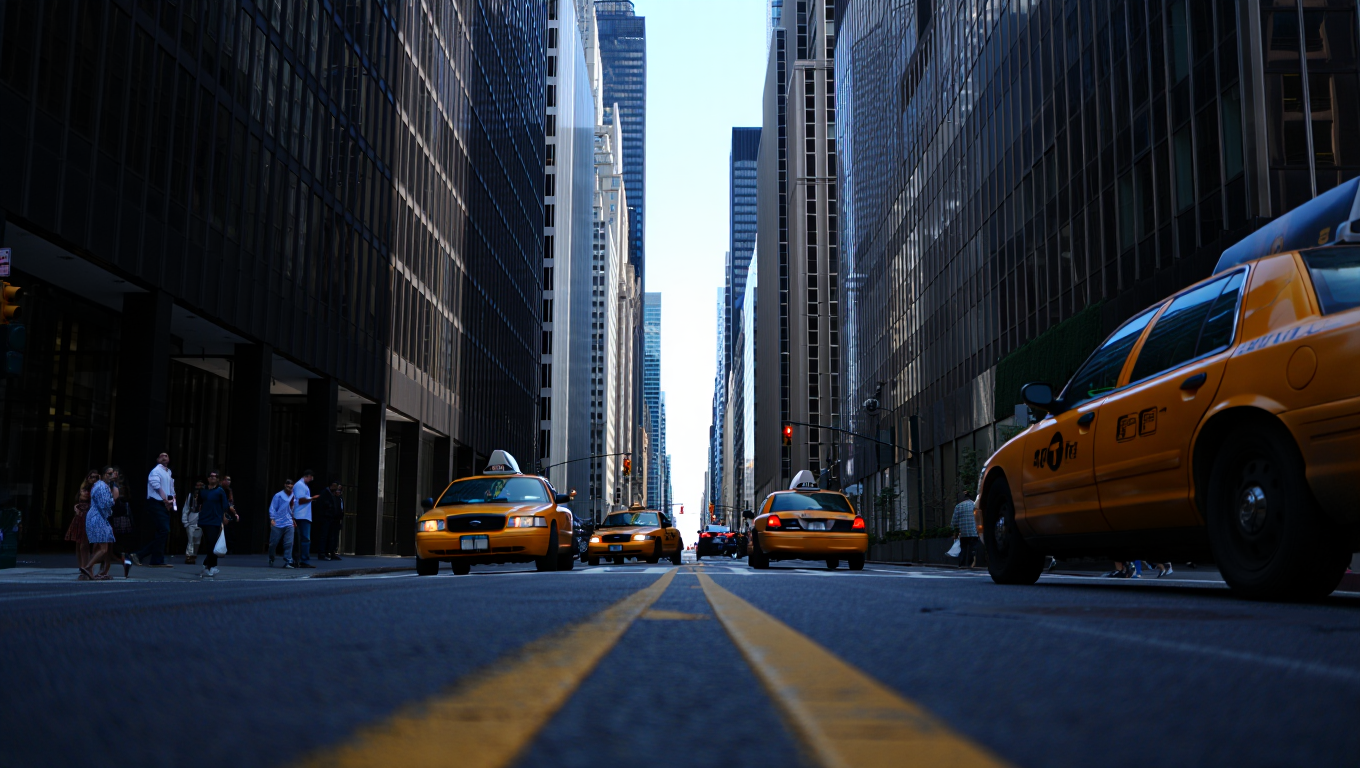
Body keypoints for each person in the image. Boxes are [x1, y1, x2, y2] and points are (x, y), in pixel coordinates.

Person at [132, 452, 175, 568]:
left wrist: (172, 502)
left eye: (166, 455)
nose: (164, 457)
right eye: (161, 456)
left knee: (162, 532)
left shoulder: (168, 472)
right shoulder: (155, 471)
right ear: (157, 459)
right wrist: (165, 500)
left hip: (163, 504)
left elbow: (171, 488)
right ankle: (140, 555)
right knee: (164, 530)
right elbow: (157, 486)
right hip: (156, 503)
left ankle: (157, 559)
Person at [196, 471, 230, 580]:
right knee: (209, 543)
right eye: (211, 476)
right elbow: (199, 504)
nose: (213, 478)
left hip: (215, 520)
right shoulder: (203, 491)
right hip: (204, 519)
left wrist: (224, 517)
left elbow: (225, 505)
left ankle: (210, 565)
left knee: (212, 543)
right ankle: (209, 564)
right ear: (208, 478)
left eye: (215, 477)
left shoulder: (220, 491)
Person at [85, 467, 118, 580]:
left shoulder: (100, 486)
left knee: (100, 545)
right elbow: (105, 505)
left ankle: (92, 570)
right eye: (109, 473)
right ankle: (88, 566)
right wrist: (113, 500)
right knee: (103, 548)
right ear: (103, 475)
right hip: (98, 517)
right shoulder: (102, 487)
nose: (112, 475)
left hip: (97, 516)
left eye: (112, 473)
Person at [65, 470, 99, 580]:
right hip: (80, 516)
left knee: (85, 544)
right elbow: (78, 501)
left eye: (95, 477)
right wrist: (76, 507)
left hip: (89, 516)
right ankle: (82, 568)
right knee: (79, 544)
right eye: (91, 477)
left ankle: (87, 569)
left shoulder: (95, 489)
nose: (93, 479)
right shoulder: (83, 488)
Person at [292, 470, 319, 569]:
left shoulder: (302, 485)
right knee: (305, 539)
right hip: (301, 515)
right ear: (307, 476)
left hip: (302, 515)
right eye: (311, 477)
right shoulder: (300, 485)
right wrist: (312, 498)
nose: (311, 479)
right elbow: (301, 500)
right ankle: (303, 560)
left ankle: (299, 559)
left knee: (301, 538)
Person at [313, 481, 345, 561]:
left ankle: (329, 552)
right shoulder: (326, 494)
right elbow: (323, 506)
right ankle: (323, 553)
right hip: (327, 518)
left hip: (333, 518)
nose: (337, 490)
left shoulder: (336, 497)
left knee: (331, 536)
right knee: (325, 535)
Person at [268, 479, 297, 568]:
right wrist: (272, 518)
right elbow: (273, 507)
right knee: (273, 543)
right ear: (285, 485)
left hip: (288, 522)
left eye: (291, 486)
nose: (290, 488)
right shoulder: (278, 495)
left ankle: (288, 561)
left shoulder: (293, 496)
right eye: (288, 486)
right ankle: (271, 557)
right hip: (278, 522)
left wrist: (293, 519)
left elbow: (293, 509)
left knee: (289, 543)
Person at [950, 490, 979, 569]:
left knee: (963, 548)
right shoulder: (975, 505)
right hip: (974, 532)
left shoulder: (959, 506)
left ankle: (962, 564)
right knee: (973, 549)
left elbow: (954, 520)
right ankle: (970, 564)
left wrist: (953, 530)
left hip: (963, 532)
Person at [183, 480, 205, 565]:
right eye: (198, 485)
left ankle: (194, 555)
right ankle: (189, 556)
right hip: (191, 519)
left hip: (201, 519)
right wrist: (185, 521)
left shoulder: (206, 495)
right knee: (191, 539)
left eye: (201, 485)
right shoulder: (191, 496)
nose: (199, 487)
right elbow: (186, 508)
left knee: (197, 541)